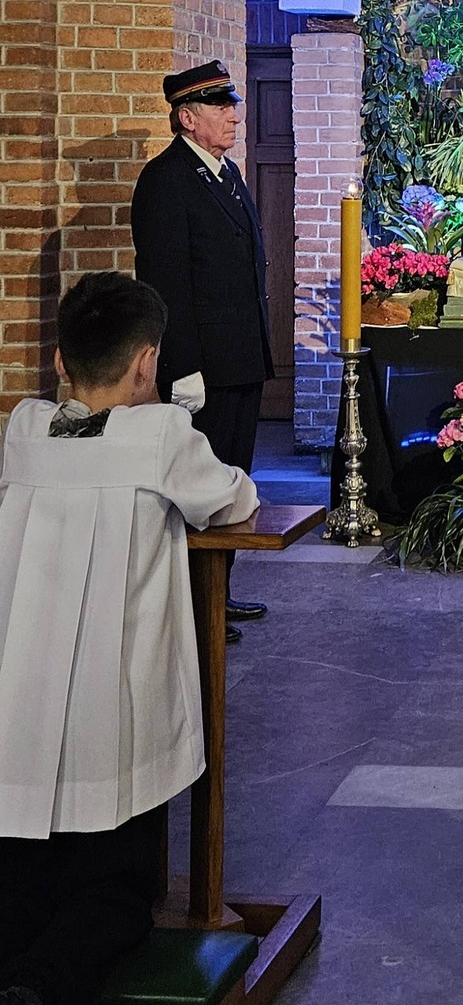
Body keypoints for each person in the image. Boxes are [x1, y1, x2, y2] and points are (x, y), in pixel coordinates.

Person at [0, 273, 258, 1005]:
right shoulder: (162, 438)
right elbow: (235, 500)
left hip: (17, 723)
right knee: (115, 898)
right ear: (147, 363)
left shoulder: (24, 430)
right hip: (111, 725)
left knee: (19, 890)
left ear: (61, 361)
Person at [131, 60, 273, 641]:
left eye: (232, 104)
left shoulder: (225, 171)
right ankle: (192, 608)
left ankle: (218, 591)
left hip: (241, 358)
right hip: (204, 367)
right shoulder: (166, 180)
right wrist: (183, 366)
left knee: (232, 481)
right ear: (187, 118)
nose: (234, 115)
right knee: (199, 486)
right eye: (220, 106)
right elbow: (166, 282)